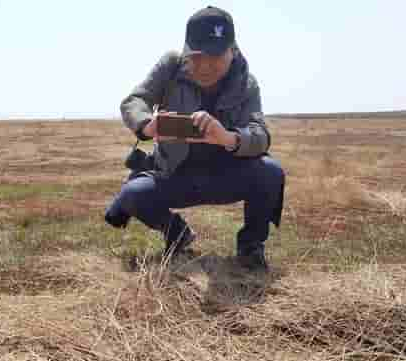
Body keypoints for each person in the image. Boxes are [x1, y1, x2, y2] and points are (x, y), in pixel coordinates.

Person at [105, 6, 285, 272]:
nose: (206, 66)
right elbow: (135, 101)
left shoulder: (247, 83)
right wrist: (147, 125)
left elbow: (260, 136)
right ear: (187, 49)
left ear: (232, 51)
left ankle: (251, 248)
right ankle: (176, 234)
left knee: (271, 173)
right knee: (132, 194)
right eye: (198, 56)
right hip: (176, 175)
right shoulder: (170, 67)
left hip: (228, 175)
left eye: (216, 57)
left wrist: (228, 138)